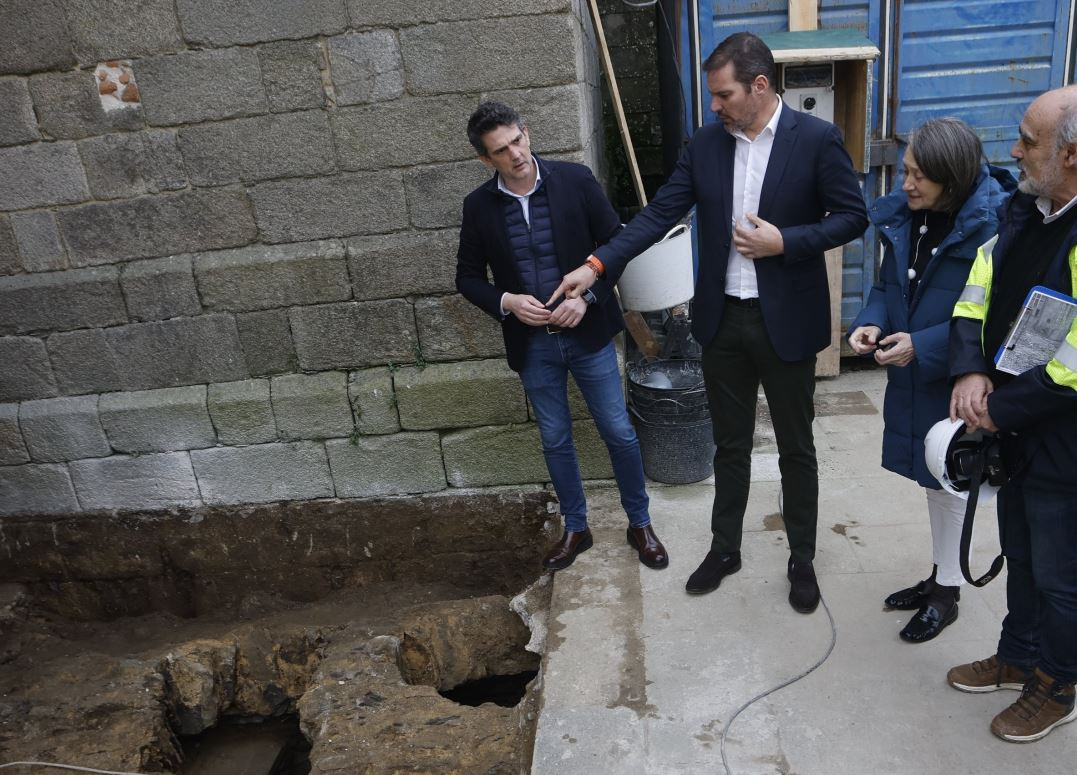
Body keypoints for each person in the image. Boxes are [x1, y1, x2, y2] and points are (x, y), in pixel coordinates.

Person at [549, 32, 867, 612]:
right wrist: (596, 266)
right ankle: (726, 548)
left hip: (787, 324)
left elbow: (852, 217)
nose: (714, 106)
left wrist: (785, 242)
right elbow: (657, 216)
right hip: (722, 322)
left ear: (760, 86)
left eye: (723, 95)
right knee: (729, 445)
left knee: (797, 448)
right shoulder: (707, 146)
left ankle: (801, 557)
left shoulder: (817, 140)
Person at [455, 101, 669, 573]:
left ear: (526, 132)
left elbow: (618, 244)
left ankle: (640, 523)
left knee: (617, 429)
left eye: (517, 140)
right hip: (532, 345)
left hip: (588, 334)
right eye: (501, 150)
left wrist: (587, 299)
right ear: (485, 160)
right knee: (555, 437)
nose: (515, 154)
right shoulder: (478, 207)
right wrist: (508, 302)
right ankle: (576, 527)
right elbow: (467, 278)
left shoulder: (575, 180)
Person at [847, 118, 1015, 642]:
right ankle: (940, 577)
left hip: (959, 379)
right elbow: (886, 284)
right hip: (915, 376)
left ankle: (948, 593)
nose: (905, 183)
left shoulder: (993, 226)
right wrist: (871, 321)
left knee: (952, 480)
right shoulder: (910, 217)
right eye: (905, 170)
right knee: (934, 476)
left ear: (954, 178)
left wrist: (923, 344)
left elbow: (994, 315)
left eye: (919, 175)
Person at [946, 86, 1077, 742]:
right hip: (1018, 428)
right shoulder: (1022, 208)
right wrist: (970, 367)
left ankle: (1056, 684)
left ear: (1071, 153)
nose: (1013, 149)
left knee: (1061, 574)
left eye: (1027, 139)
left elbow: (1072, 368)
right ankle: (1016, 655)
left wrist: (998, 407)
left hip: (1063, 442)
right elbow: (977, 288)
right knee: (1021, 556)